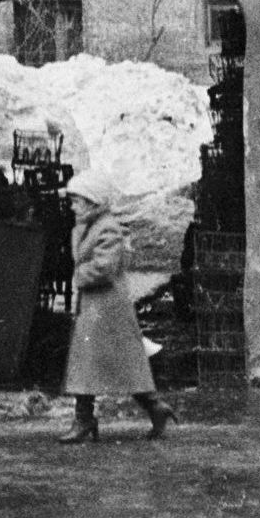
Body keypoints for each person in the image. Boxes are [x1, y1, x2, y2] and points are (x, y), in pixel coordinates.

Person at [58, 187, 170, 443]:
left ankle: (85, 420)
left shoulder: (107, 228)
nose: (73, 207)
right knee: (109, 362)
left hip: (107, 308)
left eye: (76, 201)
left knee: (102, 362)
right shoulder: (90, 226)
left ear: (91, 202)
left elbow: (104, 268)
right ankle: (153, 407)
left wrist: (77, 276)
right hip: (97, 307)